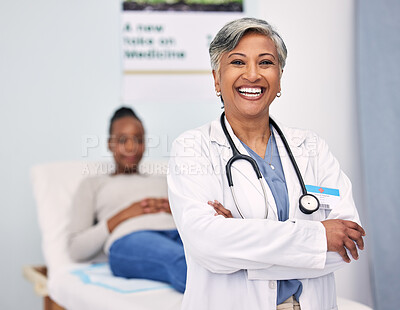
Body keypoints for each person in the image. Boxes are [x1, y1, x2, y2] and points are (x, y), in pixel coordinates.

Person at [167, 18, 365, 309]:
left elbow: (347, 245)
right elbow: (208, 246)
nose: (252, 74)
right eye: (237, 62)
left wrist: (241, 241)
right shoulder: (192, 148)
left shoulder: (311, 147)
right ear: (216, 78)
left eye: (265, 62)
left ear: (279, 77)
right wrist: (318, 236)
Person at [67, 107, 186, 293]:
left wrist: (174, 210)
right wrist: (125, 214)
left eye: (138, 140)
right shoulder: (94, 184)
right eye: (123, 140)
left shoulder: (165, 180)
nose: (131, 147)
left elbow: (192, 219)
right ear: (109, 144)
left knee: (219, 260)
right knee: (181, 261)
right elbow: (76, 249)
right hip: (130, 239)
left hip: (177, 233)